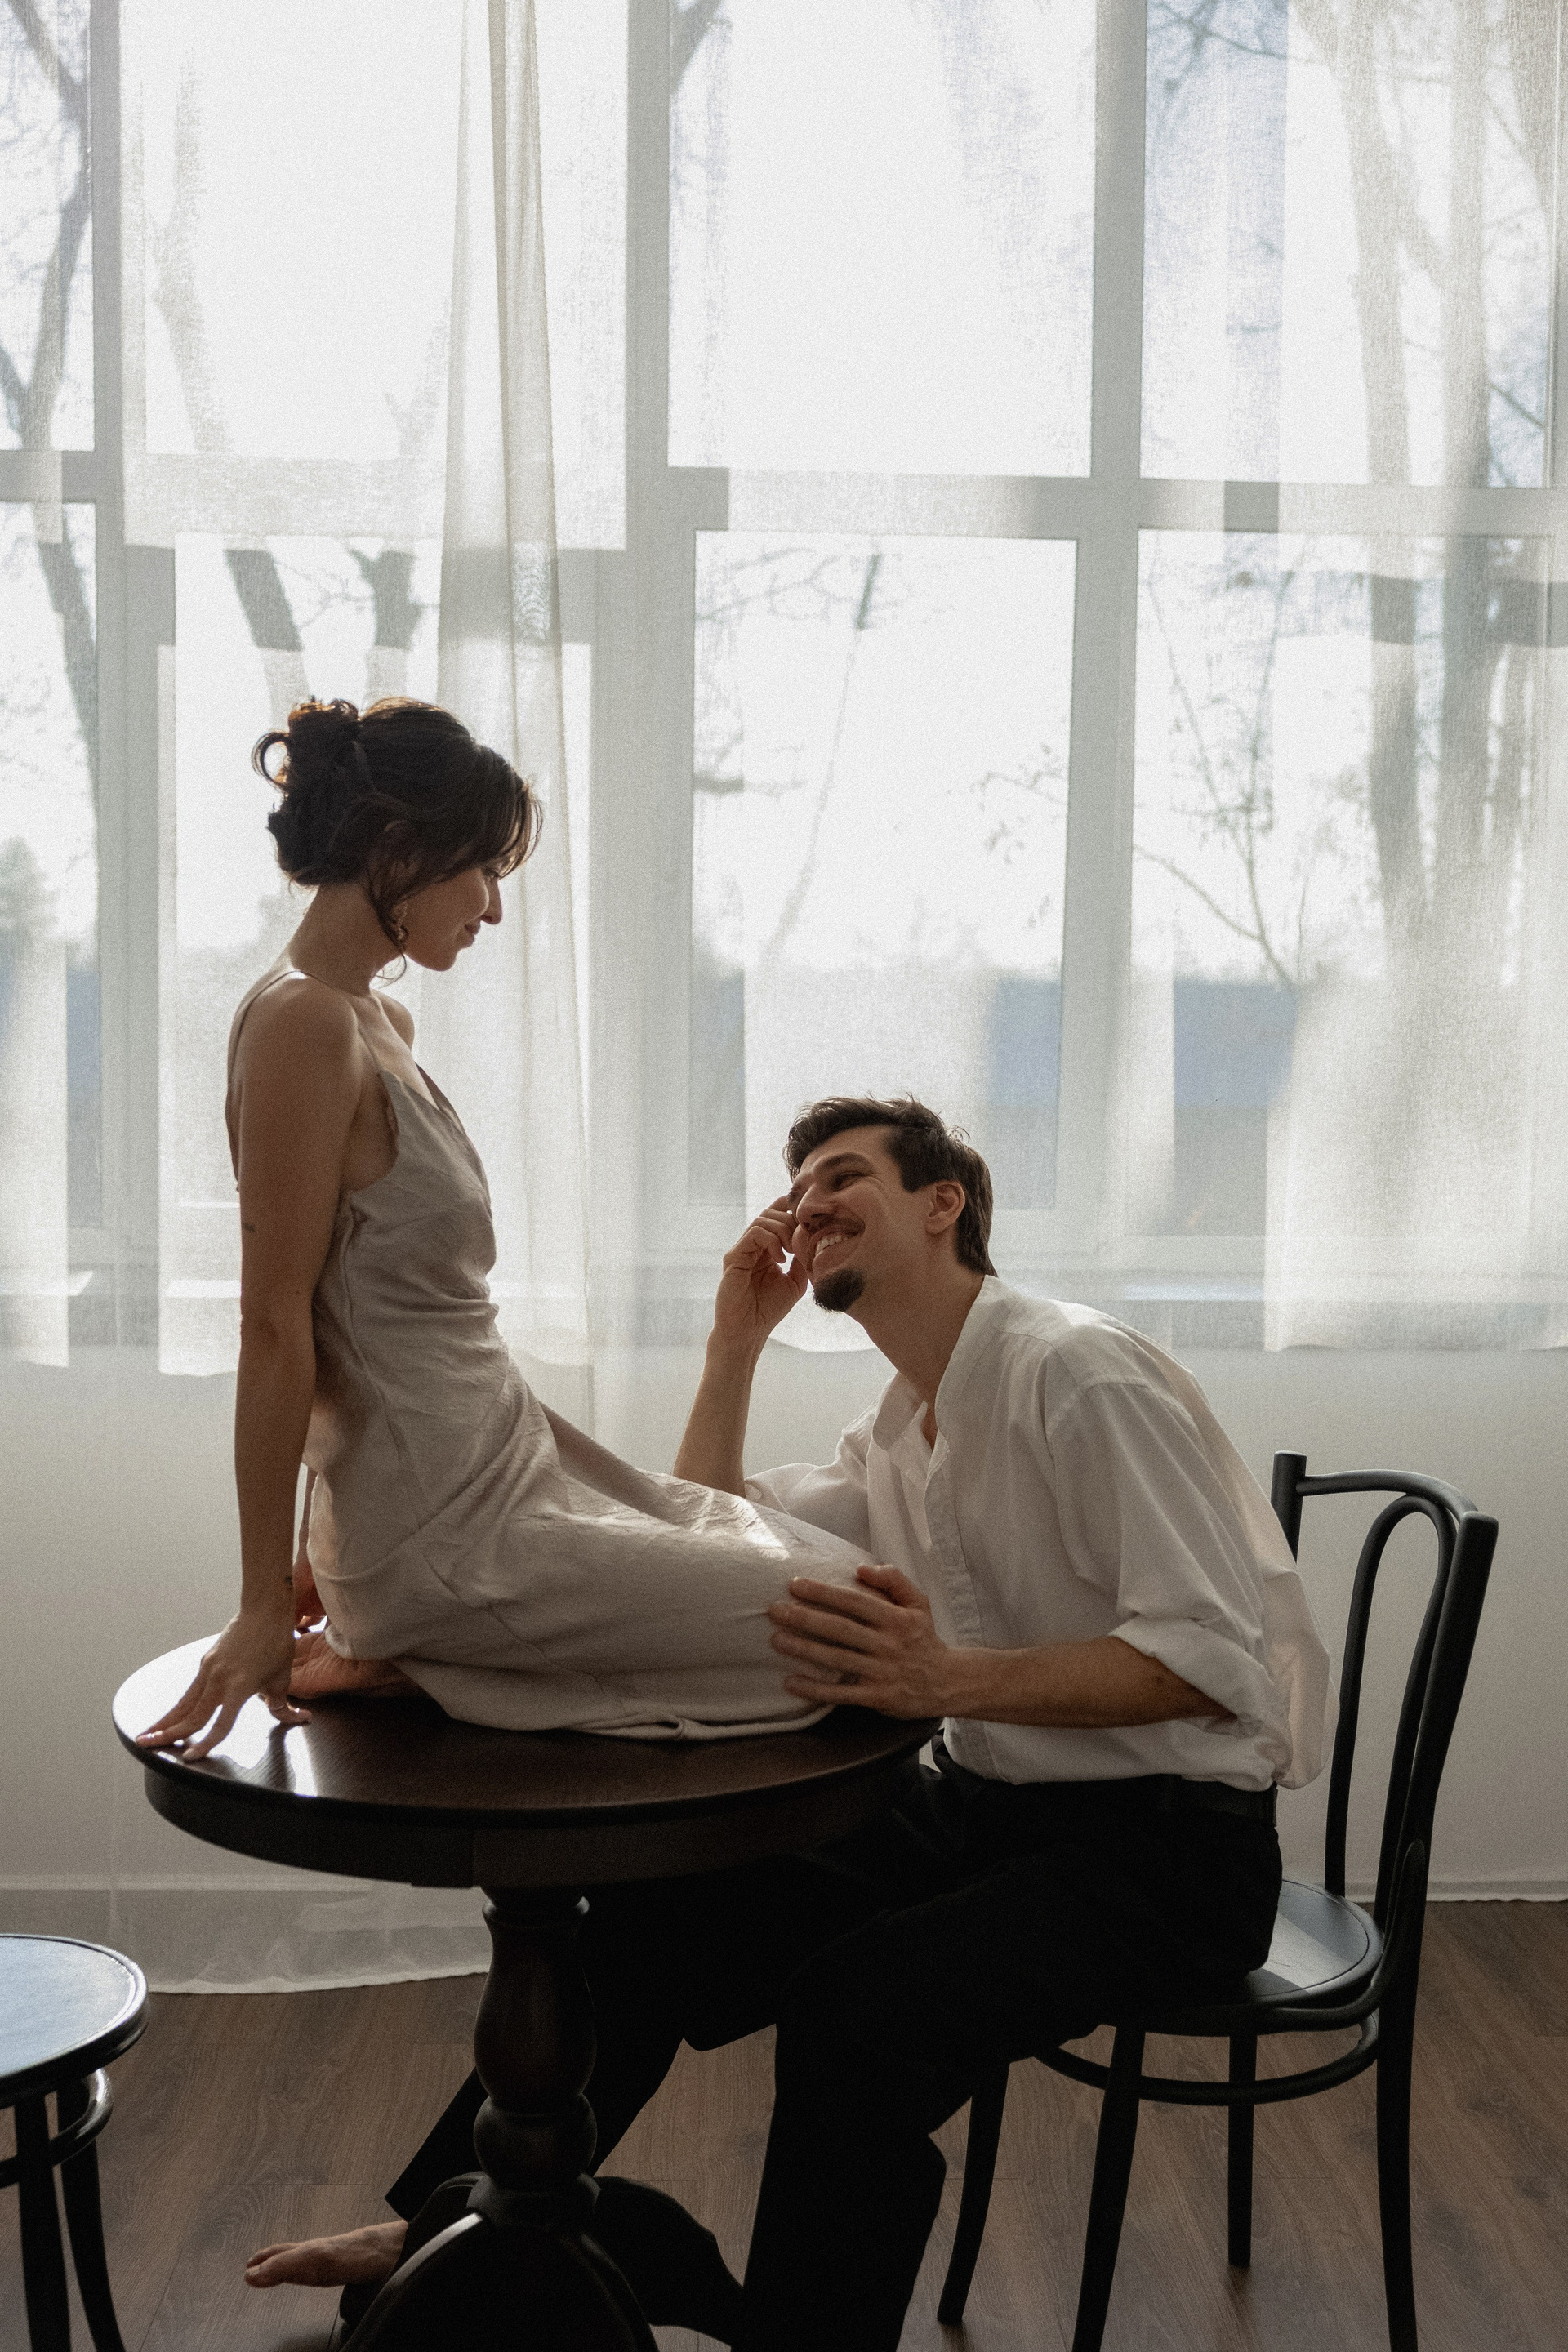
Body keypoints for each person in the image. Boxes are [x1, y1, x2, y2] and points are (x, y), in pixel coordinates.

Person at [253, 1094, 1334, 2350]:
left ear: (944, 1204)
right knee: (654, 1908)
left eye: (844, 1176)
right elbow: (699, 1541)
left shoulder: (1075, 1371)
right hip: (993, 1812)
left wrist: (945, 1681)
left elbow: (1212, 1664)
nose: (810, 1203)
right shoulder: (897, 1428)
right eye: (800, 1186)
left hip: (1171, 1857)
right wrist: (734, 1345)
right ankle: (452, 2228)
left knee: (858, 2015)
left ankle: (753, 2317)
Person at [137, 695, 871, 1773]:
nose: (490, 906)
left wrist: (307, 1562)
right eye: (481, 868)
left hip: (513, 1462)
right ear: (399, 849)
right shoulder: (300, 1023)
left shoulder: (377, 1019)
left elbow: (356, 1307)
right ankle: (424, 1648)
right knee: (844, 1629)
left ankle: (429, 1655)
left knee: (854, 1579)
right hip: (442, 1527)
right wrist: (260, 1605)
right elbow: (278, 1327)